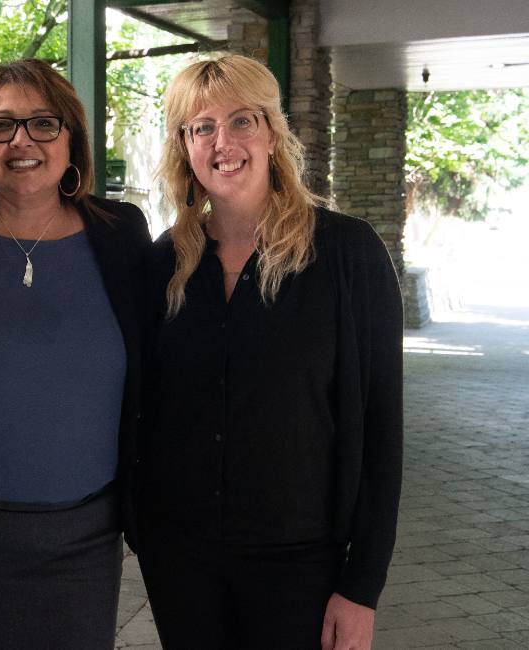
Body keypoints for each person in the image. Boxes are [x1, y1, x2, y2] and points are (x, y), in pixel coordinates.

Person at [137, 54, 403, 650]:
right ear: (184, 145)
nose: (221, 142)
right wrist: (141, 529)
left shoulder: (347, 255)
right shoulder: (161, 264)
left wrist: (362, 586)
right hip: (181, 562)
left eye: (241, 121)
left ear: (273, 132)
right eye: (200, 127)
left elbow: (383, 430)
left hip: (303, 564)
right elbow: (143, 405)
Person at [0, 59, 150, 650]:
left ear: (72, 139)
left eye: (44, 123)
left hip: (86, 545)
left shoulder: (122, 236)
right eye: (1, 125)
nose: (22, 141)